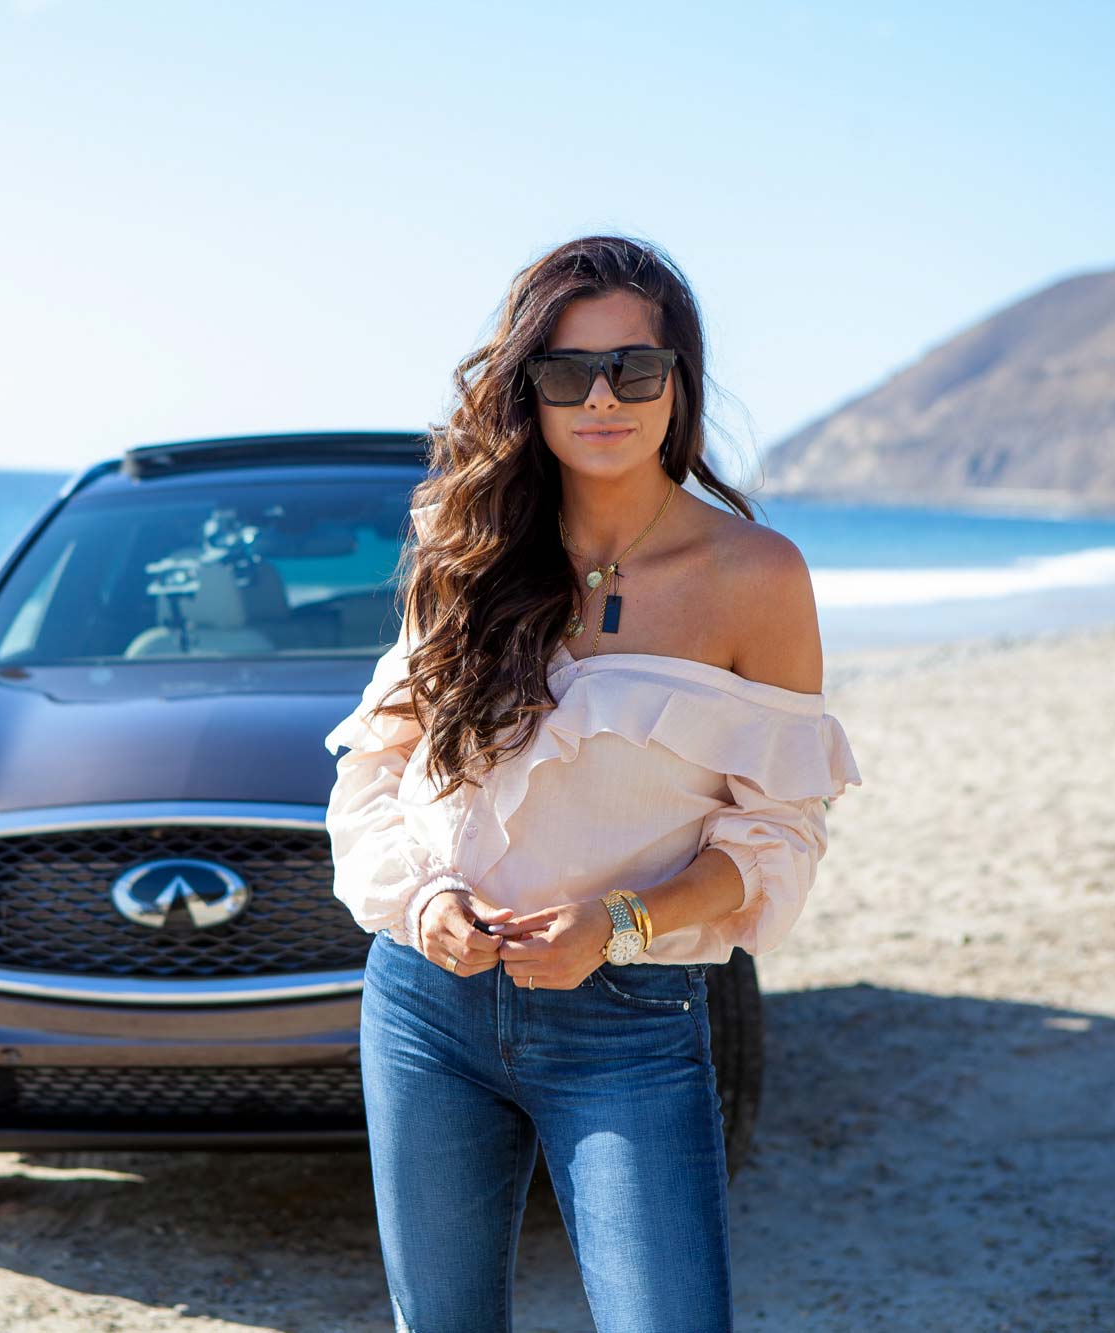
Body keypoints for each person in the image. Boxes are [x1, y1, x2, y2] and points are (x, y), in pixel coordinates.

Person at [322, 234, 863, 1333]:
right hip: (426, 1007)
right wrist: (421, 901)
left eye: (635, 369)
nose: (602, 397)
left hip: (627, 1023)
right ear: (527, 392)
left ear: (679, 382)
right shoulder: (461, 542)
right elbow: (379, 764)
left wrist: (615, 922)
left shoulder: (753, 578)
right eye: (566, 373)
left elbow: (774, 837)